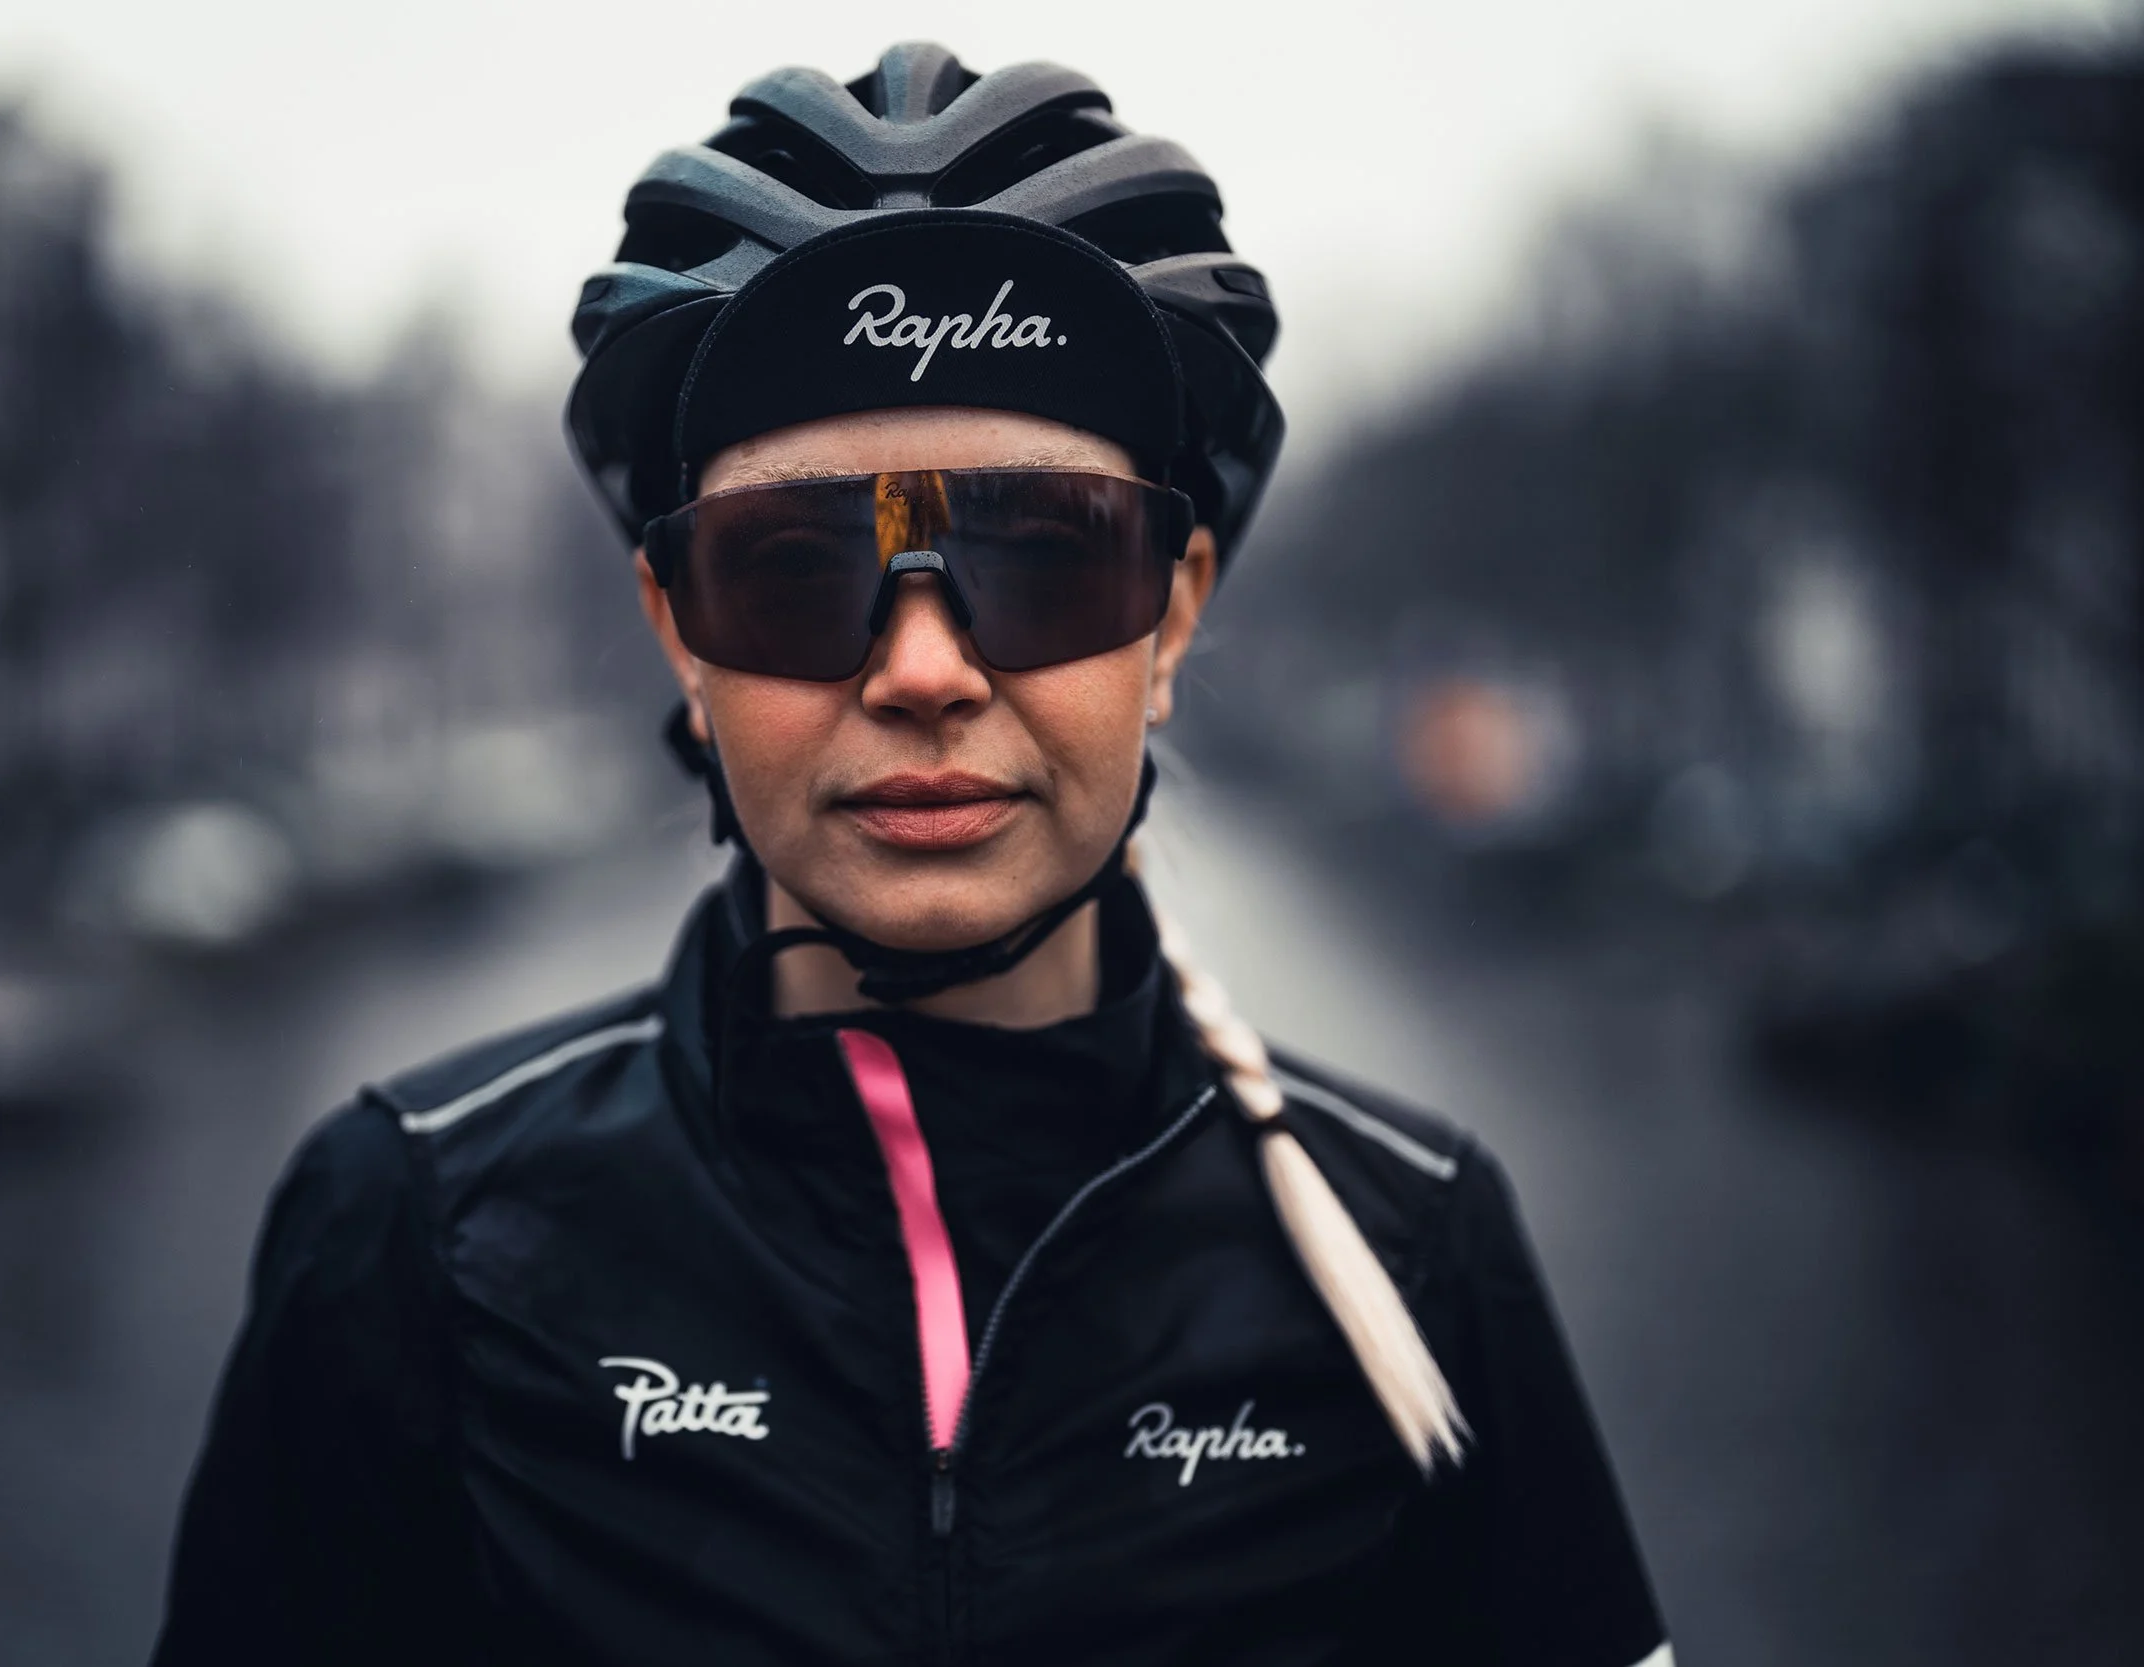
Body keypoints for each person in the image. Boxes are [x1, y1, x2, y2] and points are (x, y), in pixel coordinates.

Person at [154, 42, 1672, 1667]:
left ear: (1173, 612)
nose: (926, 669)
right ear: (680, 633)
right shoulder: (417, 1231)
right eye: (800, 566)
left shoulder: (1418, 1245)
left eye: (1041, 553)